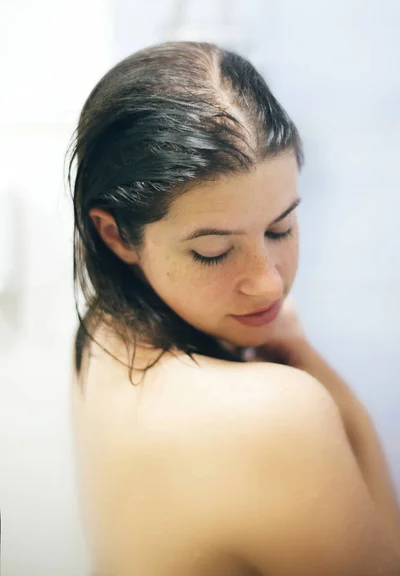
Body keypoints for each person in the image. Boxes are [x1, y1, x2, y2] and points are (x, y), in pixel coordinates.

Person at [68, 41, 400, 576]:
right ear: (116, 234)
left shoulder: (104, 332)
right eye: (212, 252)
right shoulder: (273, 415)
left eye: (281, 228)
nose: (269, 286)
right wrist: (317, 374)